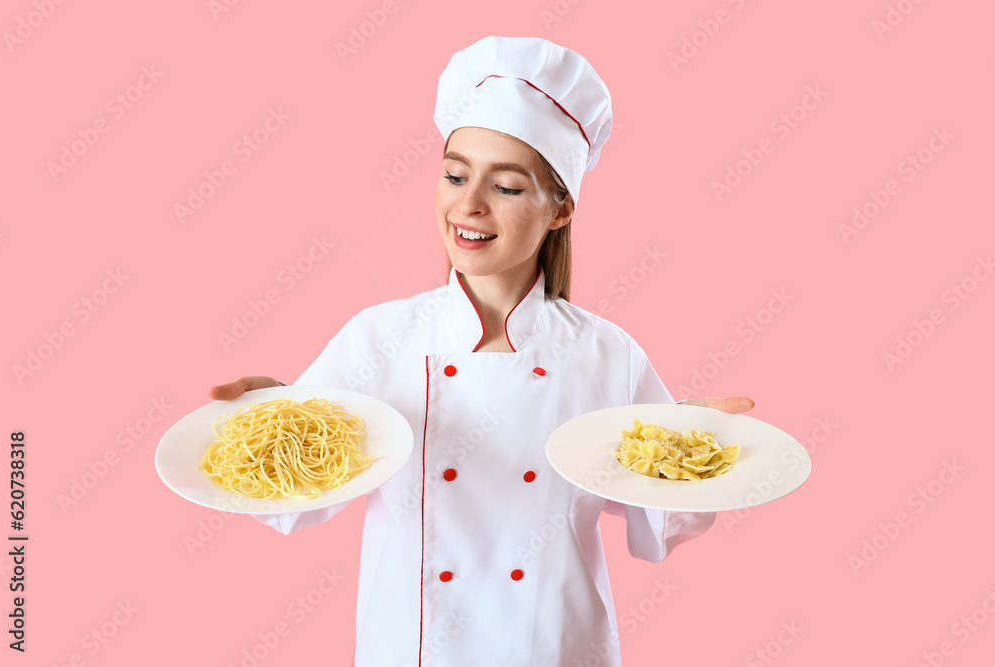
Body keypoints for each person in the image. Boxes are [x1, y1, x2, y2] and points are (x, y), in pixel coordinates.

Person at [209, 36, 754, 667]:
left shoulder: (609, 355)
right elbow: (297, 499)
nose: (468, 205)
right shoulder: (379, 338)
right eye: (455, 174)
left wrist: (701, 449)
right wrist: (263, 423)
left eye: (509, 188)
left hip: (554, 650)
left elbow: (656, 526)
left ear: (560, 209)